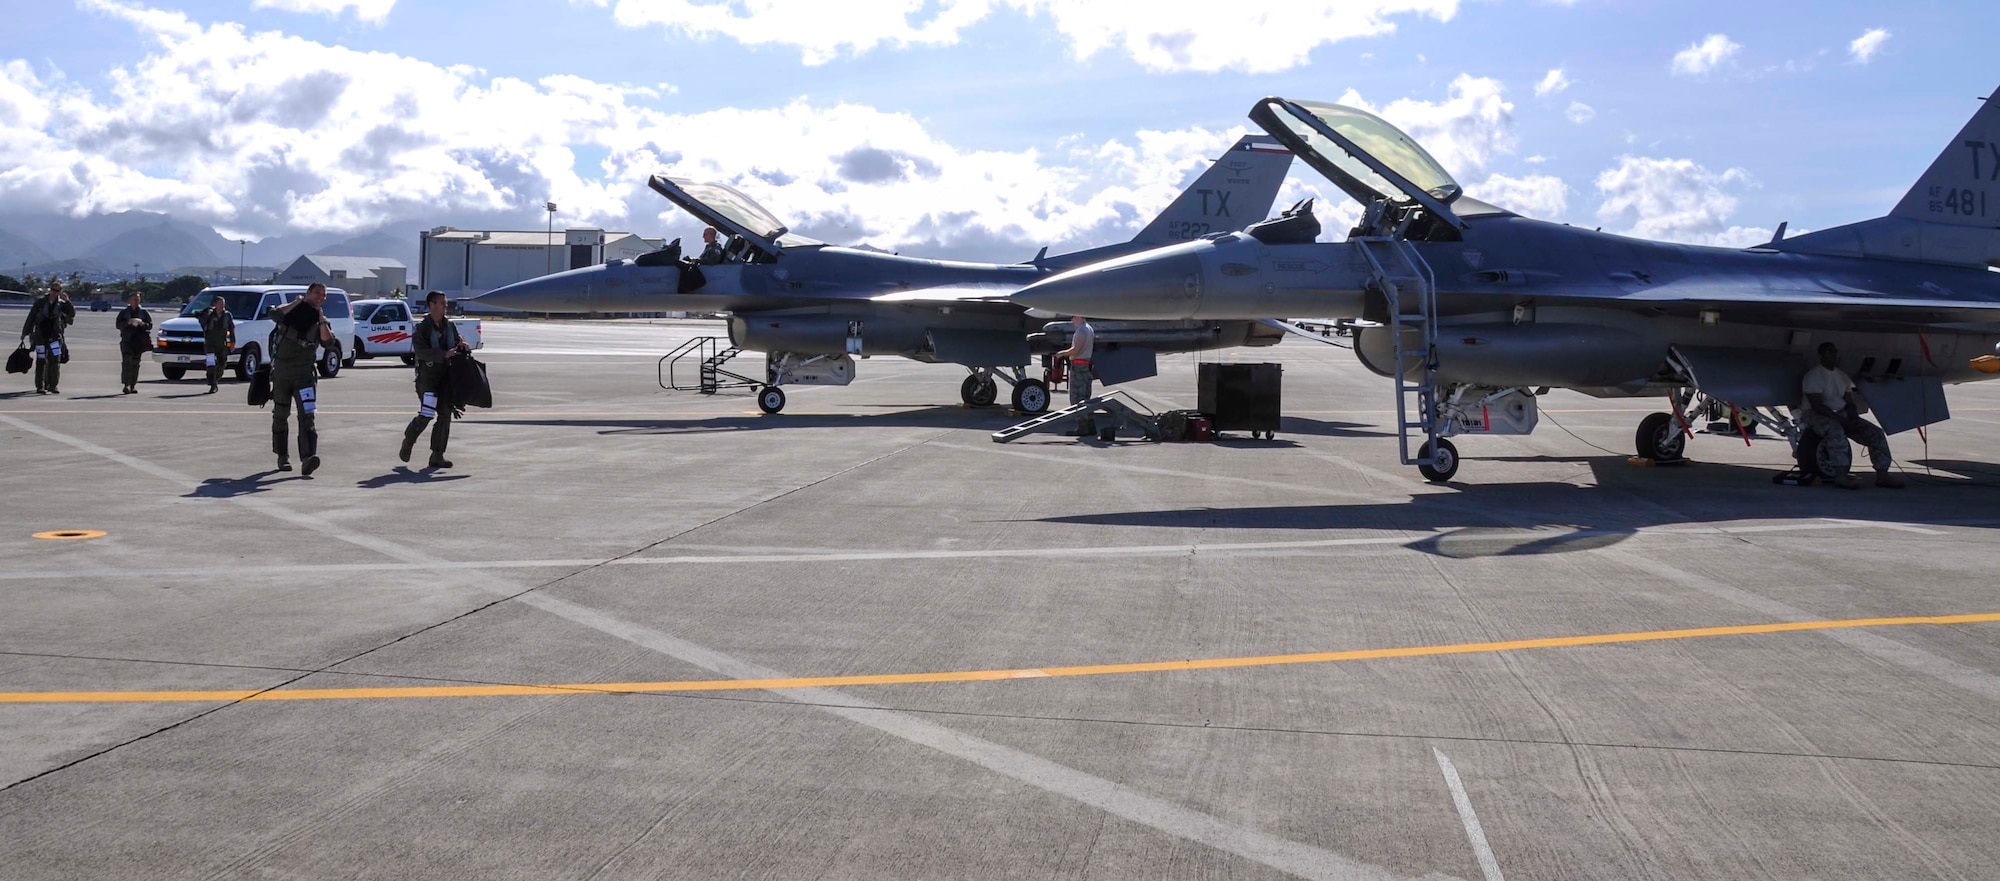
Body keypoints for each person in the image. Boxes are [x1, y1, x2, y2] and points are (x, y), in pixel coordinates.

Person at [1802, 341, 1904, 489]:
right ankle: (1841, 476)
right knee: (1835, 431)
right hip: (1815, 414)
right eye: (1829, 352)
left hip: (1841, 414)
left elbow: (1849, 402)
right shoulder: (1814, 376)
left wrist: (1854, 419)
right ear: (1821, 355)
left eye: (1834, 351)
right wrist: (1843, 421)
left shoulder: (1841, 376)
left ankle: (1883, 475)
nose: (1833, 355)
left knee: (1875, 433)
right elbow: (1817, 405)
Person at [267, 283, 333, 475]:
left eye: (324, 295)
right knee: (280, 414)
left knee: (307, 416)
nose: (321, 297)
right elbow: (274, 315)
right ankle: (282, 456)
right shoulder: (290, 311)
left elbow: (328, 342)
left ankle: (308, 458)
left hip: (304, 375)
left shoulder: (320, 320)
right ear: (308, 293)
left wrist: (321, 321)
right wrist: (296, 303)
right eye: (317, 293)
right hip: (282, 372)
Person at [400, 290, 470, 469]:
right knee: (427, 414)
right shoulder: (423, 327)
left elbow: (456, 341)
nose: (445, 306)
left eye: (445, 303)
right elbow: (421, 351)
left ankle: (437, 455)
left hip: (446, 377)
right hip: (428, 378)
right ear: (432, 305)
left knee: (445, 414)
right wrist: (443, 354)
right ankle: (409, 440)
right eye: (442, 303)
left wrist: (462, 346)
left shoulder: (449, 326)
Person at [20, 280, 75, 395]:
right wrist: (25, 332)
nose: (55, 292)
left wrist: (68, 301)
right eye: (54, 290)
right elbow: (31, 317)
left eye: (58, 290)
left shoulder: (61, 304)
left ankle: (53, 385)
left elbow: (72, 314)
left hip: (55, 337)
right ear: (50, 290)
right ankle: (40, 386)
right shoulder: (40, 303)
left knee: (55, 361)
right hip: (41, 337)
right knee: (41, 360)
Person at [1057, 314, 1096, 437]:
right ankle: (1090, 425)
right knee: (1085, 396)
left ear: (1079, 316)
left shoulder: (1081, 331)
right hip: (1086, 365)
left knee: (1076, 398)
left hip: (1078, 366)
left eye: (1073, 317)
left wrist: (1062, 353)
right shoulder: (1089, 329)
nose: (1072, 320)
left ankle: (1082, 426)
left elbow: (1076, 350)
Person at [115, 290, 153, 394]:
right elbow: (118, 325)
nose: (137, 301)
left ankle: (133, 385)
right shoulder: (123, 313)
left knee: (136, 364)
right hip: (127, 341)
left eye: (138, 299)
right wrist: (128, 322)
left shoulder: (144, 312)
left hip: (139, 342)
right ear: (129, 300)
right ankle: (126, 384)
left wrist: (142, 323)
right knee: (127, 362)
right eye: (135, 299)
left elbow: (149, 325)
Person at [198, 293, 233, 392]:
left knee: (222, 364)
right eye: (220, 304)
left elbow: (231, 329)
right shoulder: (209, 314)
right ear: (215, 304)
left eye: (223, 304)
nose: (222, 306)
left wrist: (233, 342)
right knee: (210, 364)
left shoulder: (227, 315)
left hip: (222, 343)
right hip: (210, 343)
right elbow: (200, 319)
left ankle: (215, 379)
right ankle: (213, 384)